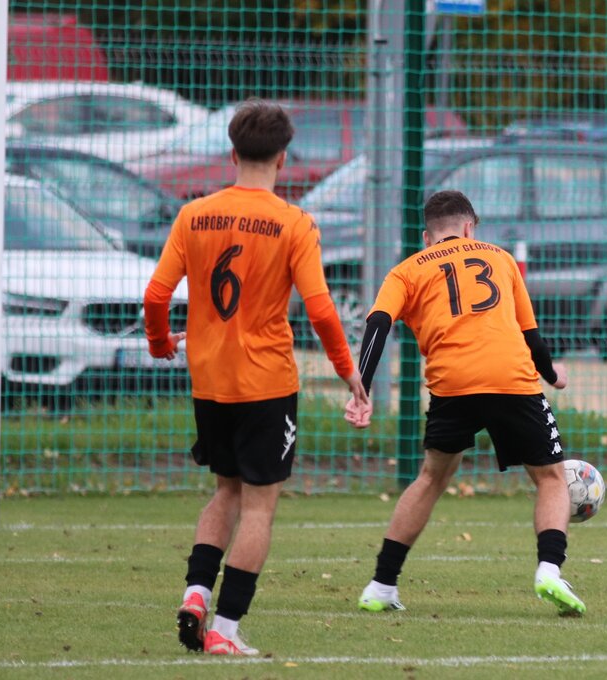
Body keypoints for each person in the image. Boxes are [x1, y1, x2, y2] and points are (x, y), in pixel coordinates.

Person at [144, 99, 368, 655]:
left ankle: (197, 593)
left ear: (232, 153)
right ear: (283, 158)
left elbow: (155, 295)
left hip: (210, 381)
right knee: (260, 505)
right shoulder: (294, 223)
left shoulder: (193, 214)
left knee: (225, 490)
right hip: (266, 383)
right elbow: (321, 311)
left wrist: (160, 343)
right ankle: (225, 630)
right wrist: (349, 372)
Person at [344, 189, 586, 617]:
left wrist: (360, 388)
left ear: (427, 237)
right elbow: (531, 336)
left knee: (431, 478)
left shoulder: (406, 270)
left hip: (451, 383)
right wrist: (552, 375)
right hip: (510, 378)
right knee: (551, 476)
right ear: (470, 228)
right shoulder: (501, 258)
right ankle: (550, 570)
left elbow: (379, 323)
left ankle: (381, 585)